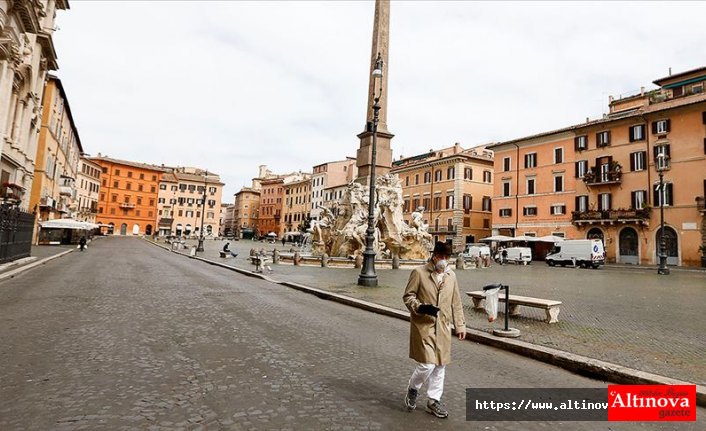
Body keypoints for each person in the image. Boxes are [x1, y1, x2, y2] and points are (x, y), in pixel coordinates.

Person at [403, 241, 466, 418]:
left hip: (443, 326)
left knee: (440, 366)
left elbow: (456, 302)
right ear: (434, 256)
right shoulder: (419, 273)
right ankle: (413, 388)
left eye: (447, 257)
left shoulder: (451, 276)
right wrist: (419, 307)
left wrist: (460, 325)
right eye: (442, 257)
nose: (444, 260)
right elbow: (408, 296)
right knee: (427, 365)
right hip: (424, 324)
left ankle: (433, 401)